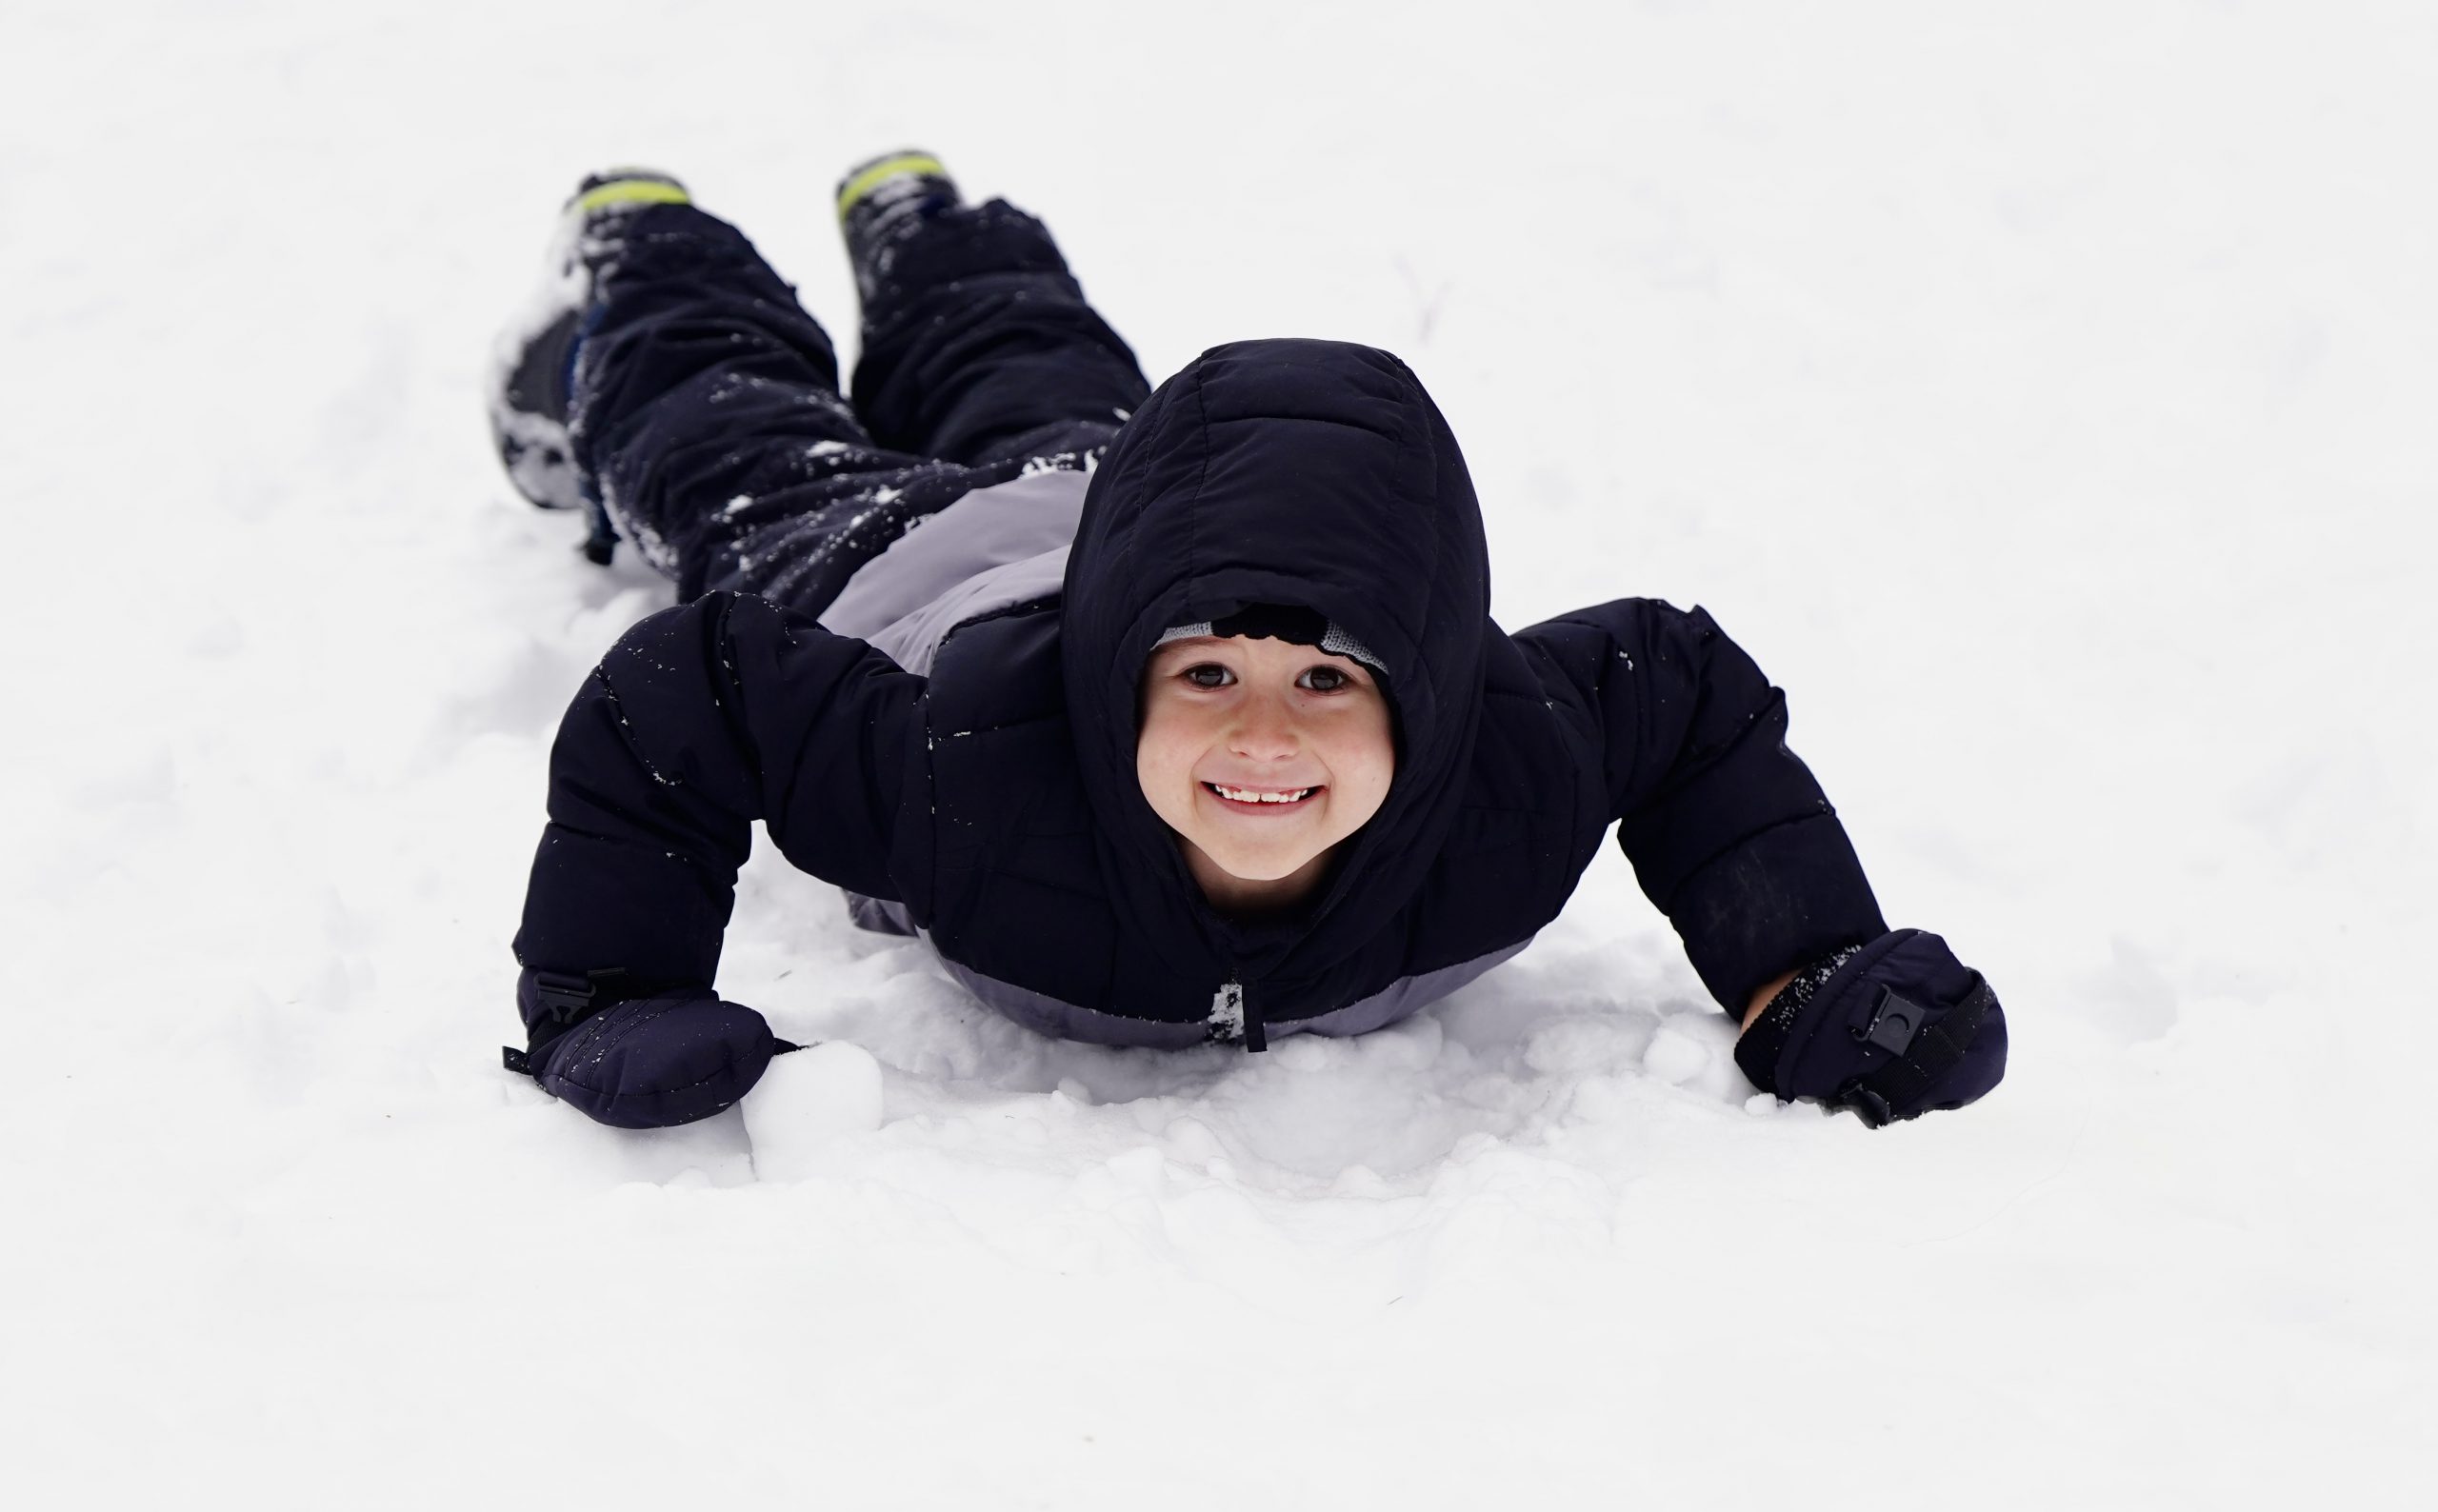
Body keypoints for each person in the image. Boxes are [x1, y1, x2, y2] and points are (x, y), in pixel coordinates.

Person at [490, 152, 2008, 1132]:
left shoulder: (1512, 769)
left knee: (1039, 370)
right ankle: (652, 253)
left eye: (1329, 682)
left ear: (1422, 693)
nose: (1263, 738)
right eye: (1208, 675)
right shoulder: (962, 776)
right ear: (1121, 683)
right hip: (893, 569)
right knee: (724, 435)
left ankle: (928, 229)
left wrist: (1801, 968)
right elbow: (687, 692)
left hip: (1098, 495)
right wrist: (612, 993)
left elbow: (1683, 699)